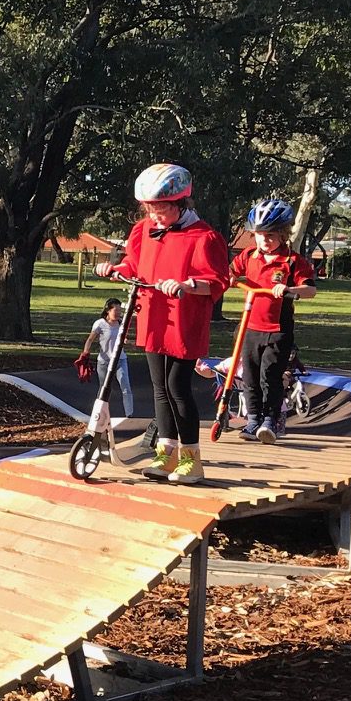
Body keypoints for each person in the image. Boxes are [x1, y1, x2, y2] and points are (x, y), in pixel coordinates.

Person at [95, 163, 228, 485]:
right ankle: (165, 453)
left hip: (184, 321)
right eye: (150, 208)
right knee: (159, 389)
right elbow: (134, 263)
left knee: (177, 388)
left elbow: (217, 282)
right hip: (153, 316)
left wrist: (186, 284)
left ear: (182, 203)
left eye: (162, 209)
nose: (155, 215)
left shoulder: (204, 237)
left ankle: (191, 459)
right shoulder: (143, 230)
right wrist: (114, 269)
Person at [230, 199, 318, 444]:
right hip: (251, 326)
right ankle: (253, 419)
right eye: (259, 235)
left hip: (277, 329)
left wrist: (290, 288)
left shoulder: (292, 261)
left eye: (270, 235)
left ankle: (270, 420)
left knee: (269, 375)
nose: (264, 240)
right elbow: (231, 272)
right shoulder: (249, 255)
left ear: (282, 235)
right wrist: (230, 279)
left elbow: (310, 290)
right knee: (249, 376)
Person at [76, 296, 136, 420]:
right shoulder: (100, 324)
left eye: (120, 311)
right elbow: (90, 339)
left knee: (126, 386)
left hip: (120, 360)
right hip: (104, 362)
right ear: (108, 310)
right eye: (116, 311)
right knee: (104, 389)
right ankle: (98, 416)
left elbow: (121, 339)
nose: (118, 314)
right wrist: (86, 352)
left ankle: (129, 415)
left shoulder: (121, 323)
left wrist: (129, 343)